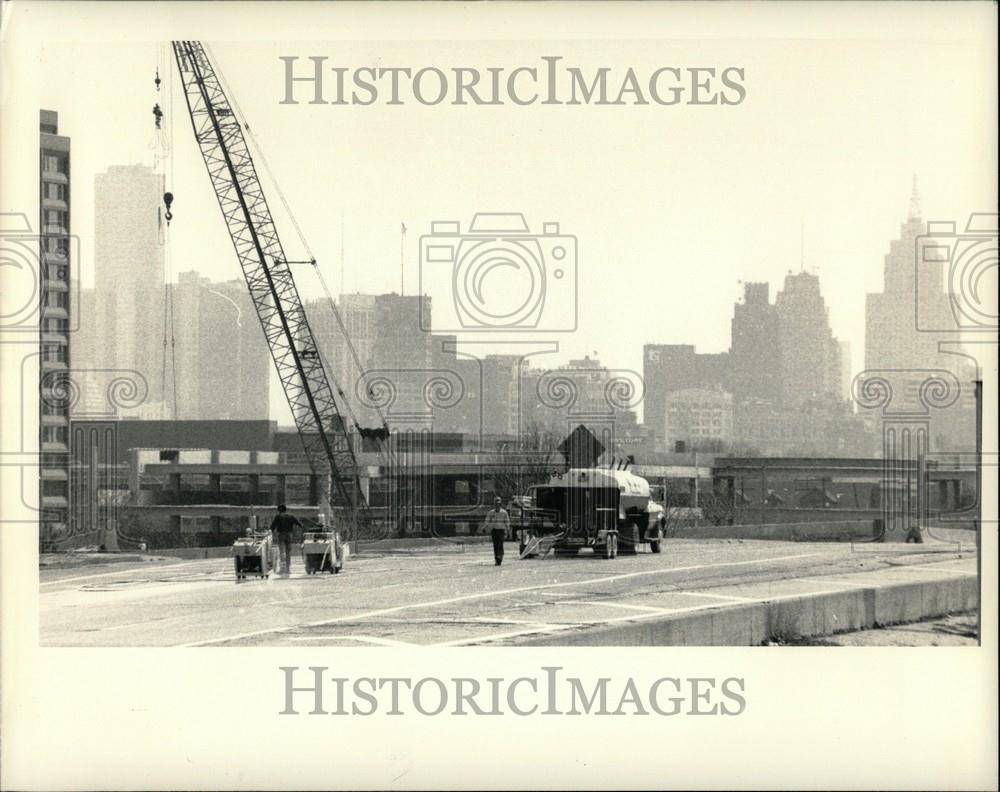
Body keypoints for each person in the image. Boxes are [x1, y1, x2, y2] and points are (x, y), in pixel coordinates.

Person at [270, 504, 302, 575]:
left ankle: (282, 569)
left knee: (282, 552)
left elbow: (272, 526)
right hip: (289, 535)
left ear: (279, 510)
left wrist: (270, 532)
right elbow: (299, 524)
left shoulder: (278, 516)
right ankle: (288, 569)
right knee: (288, 552)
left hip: (281, 535)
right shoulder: (291, 516)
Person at [482, 497, 511, 566]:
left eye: (498, 504)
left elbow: (507, 522)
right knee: (495, 545)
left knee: (500, 544)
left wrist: (508, 531)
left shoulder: (504, 513)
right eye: (496, 504)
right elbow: (487, 520)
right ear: (494, 505)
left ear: (500, 504)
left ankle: (500, 557)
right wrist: (484, 527)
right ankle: (496, 558)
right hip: (494, 530)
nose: (497, 505)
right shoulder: (491, 513)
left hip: (501, 530)